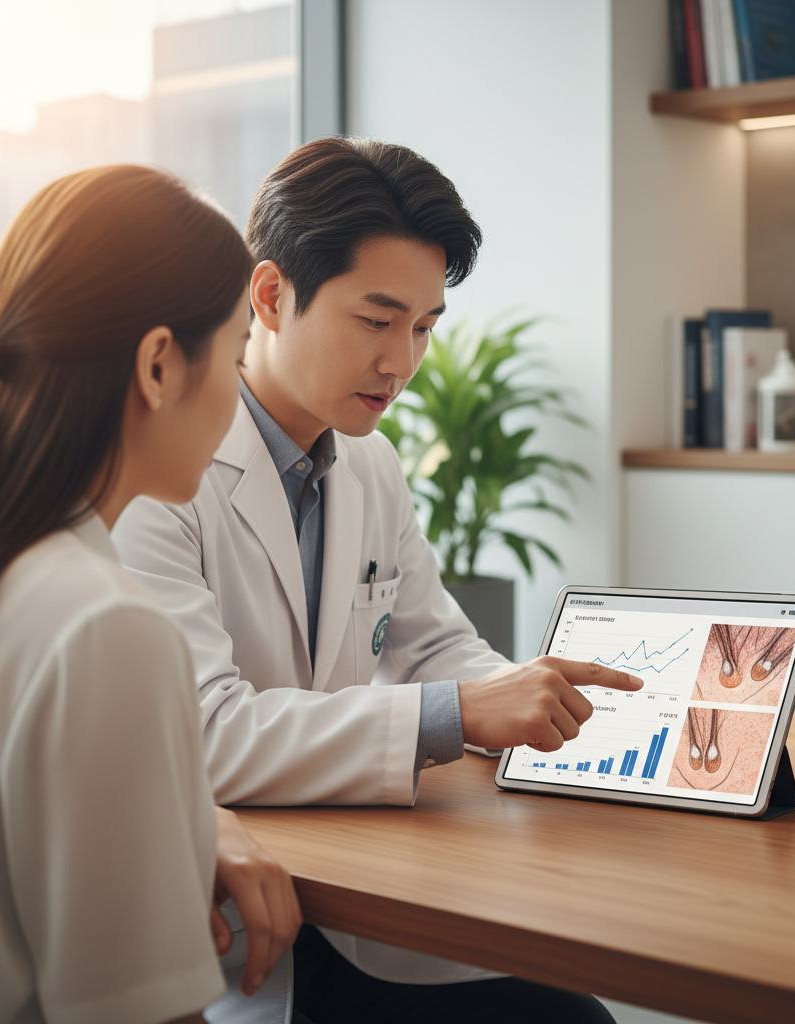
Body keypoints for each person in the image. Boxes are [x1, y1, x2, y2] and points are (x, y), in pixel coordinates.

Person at [113, 138, 640, 1023]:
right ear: (271, 295)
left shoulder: (369, 462)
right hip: (242, 929)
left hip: (360, 892)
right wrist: (460, 714)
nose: (404, 362)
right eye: (376, 319)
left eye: (426, 327)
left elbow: (434, 641)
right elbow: (204, 732)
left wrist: (557, 708)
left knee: (569, 1010)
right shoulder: (163, 470)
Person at [0, 165, 301, 1024]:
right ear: (159, 365)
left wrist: (190, 820)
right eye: (236, 356)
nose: (239, 394)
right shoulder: (105, 628)